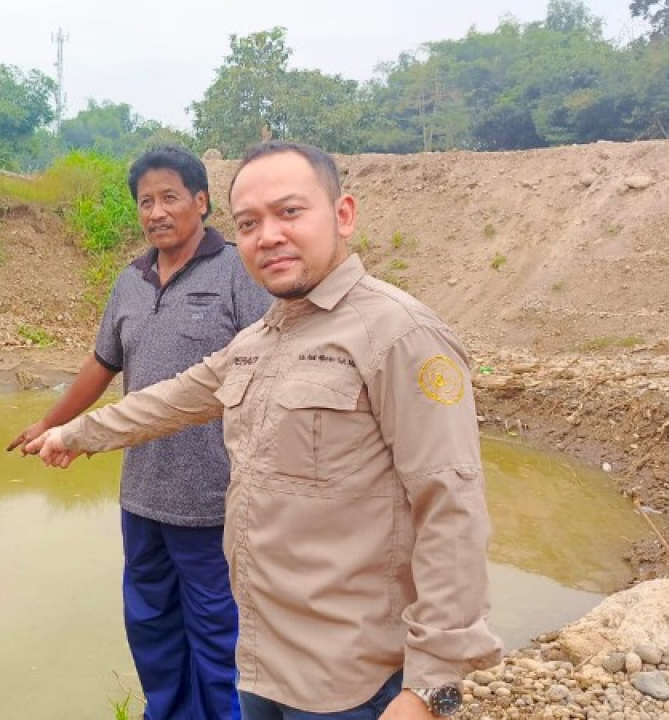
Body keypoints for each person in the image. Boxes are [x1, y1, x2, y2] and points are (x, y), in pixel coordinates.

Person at [26, 142, 503, 720]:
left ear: (343, 214)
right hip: (261, 664)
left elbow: (451, 507)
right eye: (250, 222)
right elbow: (171, 400)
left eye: (290, 212)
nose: (268, 235)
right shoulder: (260, 341)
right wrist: (75, 434)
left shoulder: (399, 336)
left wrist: (431, 688)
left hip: (350, 683)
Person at [8, 146, 271, 720]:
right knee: (151, 623)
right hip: (143, 495)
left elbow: (273, 365)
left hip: (213, 501)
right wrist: (52, 423)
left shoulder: (237, 271)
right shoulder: (131, 281)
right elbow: (102, 365)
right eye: (145, 201)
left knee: (218, 631)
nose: (156, 212)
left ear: (201, 201)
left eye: (169, 197)